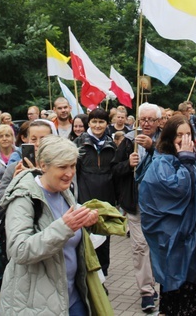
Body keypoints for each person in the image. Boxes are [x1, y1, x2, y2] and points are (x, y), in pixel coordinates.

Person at [139, 114, 196, 315]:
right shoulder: (162, 162)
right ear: (170, 137)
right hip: (176, 240)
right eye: (179, 135)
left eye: (188, 134)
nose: (184, 139)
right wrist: (185, 162)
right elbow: (176, 191)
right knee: (179, 294)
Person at [0, 136, 99, 315]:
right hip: (36, 304)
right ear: (43, 165)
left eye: (72, 166)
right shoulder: (24, 197)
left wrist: (87, 220)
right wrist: (64, 227)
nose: (69, 173)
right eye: (62, 167)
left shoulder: (63, 190)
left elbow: (70, 231)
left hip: (72, 296)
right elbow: (18, 250)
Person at [111, 102, 160, 312]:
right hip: (136, 203)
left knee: (156, 247)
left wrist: (152, 148)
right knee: (140, 247)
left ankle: (156, 281)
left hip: (160, 206)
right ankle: (146, 292)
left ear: (158, 122)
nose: (146, 123)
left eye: (151, 120)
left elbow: (175, 163)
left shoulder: (165, 140)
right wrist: (127, 164)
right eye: (143, 119)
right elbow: (114, 169)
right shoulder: (129, 140)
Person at [74, 107, 118, 276]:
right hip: (85, 194)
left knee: (104, 235)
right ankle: (87, 272)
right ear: (89, 123)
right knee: (86, 236)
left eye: (101, 121)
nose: (97, 125)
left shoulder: (111, 144)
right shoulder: (80, 143)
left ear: (107, 124)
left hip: (106, 197)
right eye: (94, 121)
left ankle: (103, 273)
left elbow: (115, 172)